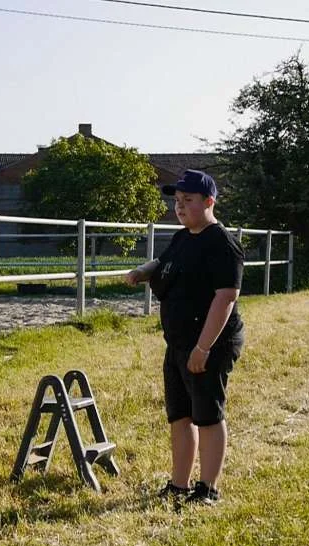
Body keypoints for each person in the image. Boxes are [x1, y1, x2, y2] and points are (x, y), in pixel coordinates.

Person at [124, 170, 245, 507]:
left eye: (187, 200)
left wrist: (203, 348)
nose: (179, 207)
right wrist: (142, 272)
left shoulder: (222, 244)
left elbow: (226, 298)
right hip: (178, 341)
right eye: (177, 201)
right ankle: (179, 484)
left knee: (207, 414)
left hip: (209, 343)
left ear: (209, 202)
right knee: (180, 415)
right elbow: (163, 262)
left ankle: (208, 488)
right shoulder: (183, 237)